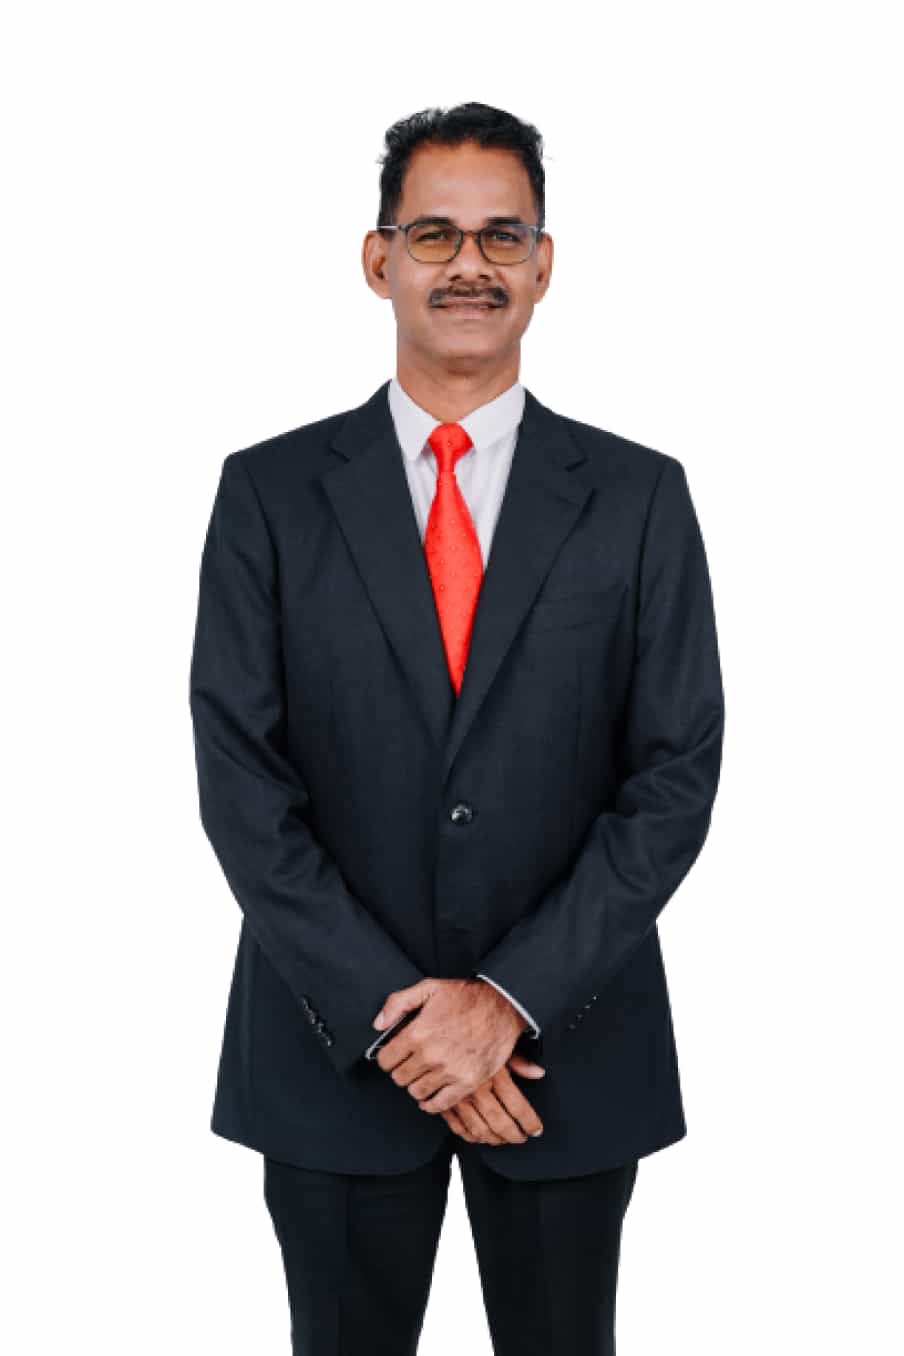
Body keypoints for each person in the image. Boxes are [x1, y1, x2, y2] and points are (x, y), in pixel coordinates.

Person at [189, 100, 725, 1356]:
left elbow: (673, 777)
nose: (468, 264)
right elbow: (241, 783)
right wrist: (403, 1019)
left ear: (544, 263)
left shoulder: (639, 498)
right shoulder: (267, 494)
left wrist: (508, 1002)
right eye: (433, 234)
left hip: (564, 1060)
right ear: (377, 259)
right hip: (330, 1058)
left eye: (501, 235)